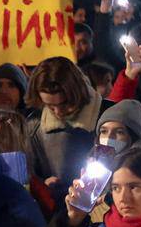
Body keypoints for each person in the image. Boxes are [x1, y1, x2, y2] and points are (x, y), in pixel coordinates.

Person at [23, 58, 103, 189]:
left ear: (77, 93)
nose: (58, 112)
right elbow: (29, 174)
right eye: (50, 106)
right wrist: (42, 187)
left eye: (64, 103)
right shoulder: (34, 126)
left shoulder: (108, 115)